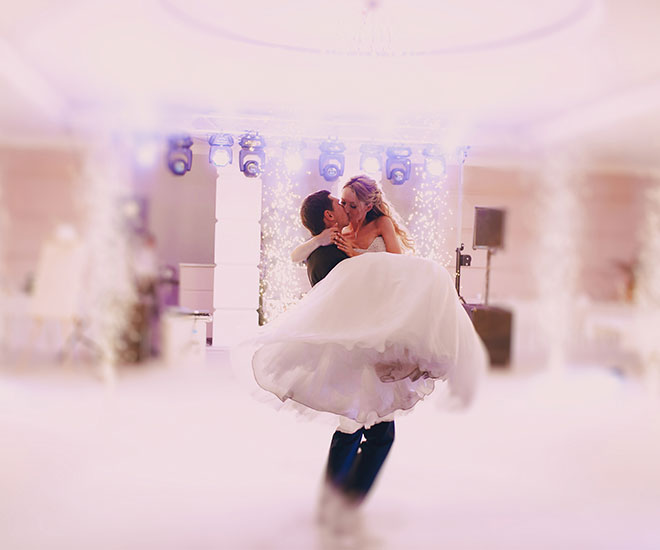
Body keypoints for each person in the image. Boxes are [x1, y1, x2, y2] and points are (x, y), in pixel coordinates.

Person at [250, 177, 488, 520]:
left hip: (378, 331)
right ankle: (339, 501)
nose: (346, 208)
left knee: (369, 424)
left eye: (351, 203)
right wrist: (328, 243)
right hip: (357, 338)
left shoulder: (378, 225)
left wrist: (358, 255)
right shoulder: (337, 236)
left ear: (366, 204)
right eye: (342, 203)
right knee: (359, 423)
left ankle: (342, 500)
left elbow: (398, 268)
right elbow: (318, 266)